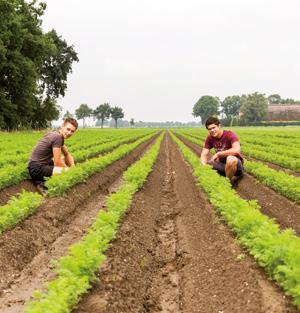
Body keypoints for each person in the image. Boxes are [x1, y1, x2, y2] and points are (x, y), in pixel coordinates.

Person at [28, 117, 78, 195]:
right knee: (66, 171)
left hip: (39, 164)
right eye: (68, 129)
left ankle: (42, 181)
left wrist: (73, 166)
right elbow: (57, 162)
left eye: (72, 131)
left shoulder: (56, 134)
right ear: (62, 126)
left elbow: (67, 154)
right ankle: (43, 184)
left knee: (67, 160)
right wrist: (70, 171)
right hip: (37, 168)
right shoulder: (58, 137)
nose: (69, 133)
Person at [200, 116, 244, 184]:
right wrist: (204, 165)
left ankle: (228, 183)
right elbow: (204, 154)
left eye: (214, 127)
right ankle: (221, 177)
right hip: (222, 165)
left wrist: (219, 154)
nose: (212, 130)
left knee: (230, 159)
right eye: (209, 129)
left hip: (236, 167)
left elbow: (236, 150)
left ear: (219, 126)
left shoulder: (230, 134)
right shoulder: (210, 138)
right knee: (208, 164)